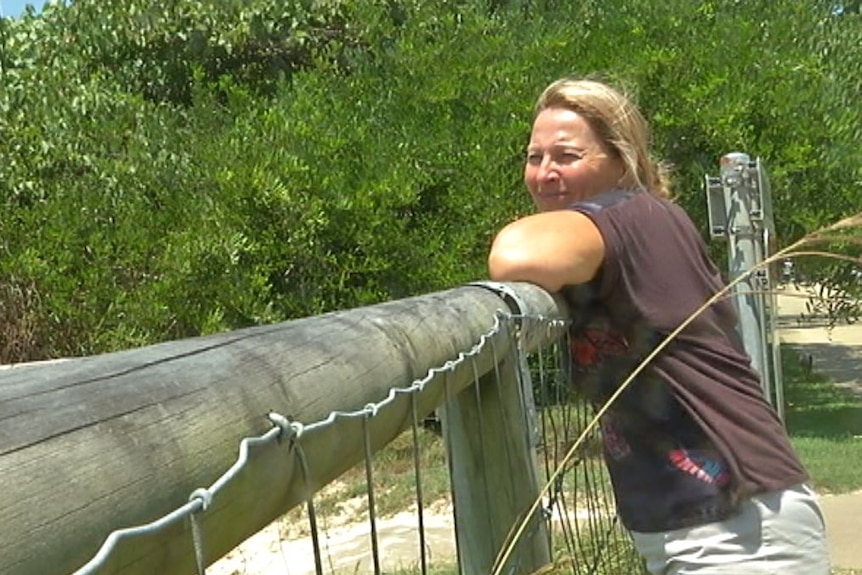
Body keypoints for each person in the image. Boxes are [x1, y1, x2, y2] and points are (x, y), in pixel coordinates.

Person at [487, 77, 829, 574]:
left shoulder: (634, 214)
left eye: (566, 156)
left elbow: (515, 254)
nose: (544, 173)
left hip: (738, 528)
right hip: (693, 527)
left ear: (621, 161)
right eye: (534, 157)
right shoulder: (628, 228)